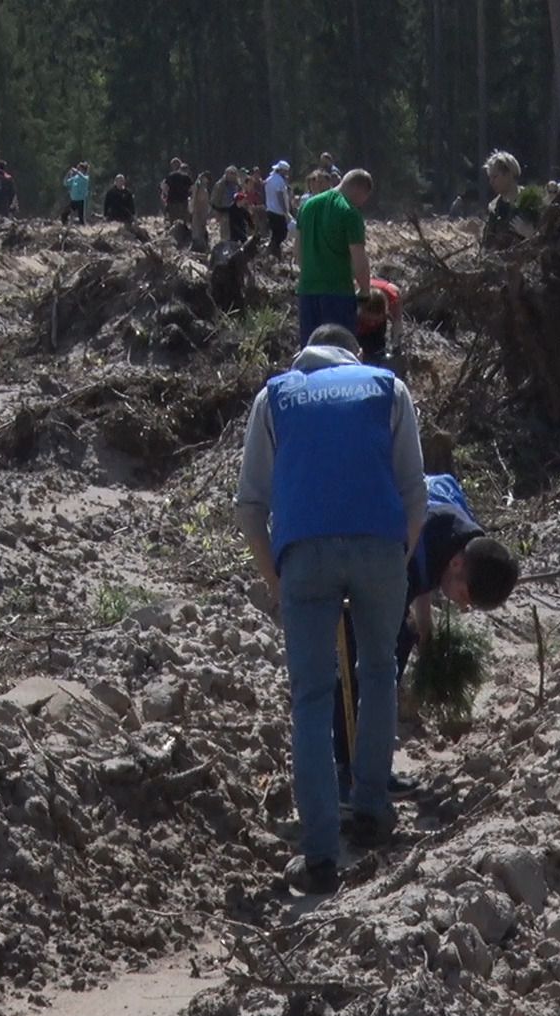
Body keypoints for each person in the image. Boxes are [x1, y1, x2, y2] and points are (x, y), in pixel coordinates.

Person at [234, 323, 429, 894]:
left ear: (304, 357)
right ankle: (370, 809)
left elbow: (250, 507)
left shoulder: (275, 397)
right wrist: (398, 559)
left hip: (305, 553)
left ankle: (320, 856)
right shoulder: (387, 388)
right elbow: (415, 494)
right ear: (354, 355)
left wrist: (277, 580)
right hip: (379, 546)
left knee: (312, 699)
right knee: (378, 673)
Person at [330, 471, 520, 801]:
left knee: (403, 641)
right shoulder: (411, 541)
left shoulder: (467, 539)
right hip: (355, 550)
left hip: (399, 554)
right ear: (457, 564)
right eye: (465, 596)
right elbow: (415, 565)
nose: (463, 606)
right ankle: (345, 770)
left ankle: (374, 767)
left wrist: (425, 625)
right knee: (354, 664)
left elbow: (428, 571)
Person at [295, 169, 375, 345]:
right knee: (340, 351)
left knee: (310, 350)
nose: (362, 203)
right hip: (338, 293)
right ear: (360, 190)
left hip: (307, 291)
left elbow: (298, 254)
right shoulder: (350, 212)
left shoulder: (307, 206)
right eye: (365, 198)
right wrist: (365, 290)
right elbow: (359, 258)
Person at [481, 150, 536, 249]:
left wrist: (530, 234)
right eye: (490, 178)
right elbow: (486, 247)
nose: (491, 182)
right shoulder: (494, 208)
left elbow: (547, 240)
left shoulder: (531, 201)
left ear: (509, 174)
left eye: (495, 177)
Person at [355, 277, 401, 369]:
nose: (372, 324)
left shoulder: (392, 296)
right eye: (368, 320)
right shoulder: (349, 301)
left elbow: (397, 323)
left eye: (376, 321)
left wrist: (395, 345)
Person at [265, 160, 294, 257]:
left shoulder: (269, 179)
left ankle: (273, 254)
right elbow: (280, 196)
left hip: (270, 210)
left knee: (275, 234)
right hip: (278, 211)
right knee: (281, 234)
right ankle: (272, 251)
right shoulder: (279, 181)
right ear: (282, 170)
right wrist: (286, 212)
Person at [218, 166, 249, 243]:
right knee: (225, 229)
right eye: (231, 173)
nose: (232, 175)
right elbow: (217, 198)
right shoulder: (221, 185)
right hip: (225, 210)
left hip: (236, 210)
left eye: (234, 173)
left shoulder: (237, 184)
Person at [163, 158, 194, 227]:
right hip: (183, 201)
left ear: (172, 166)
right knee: (184, 222)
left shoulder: (169, 176)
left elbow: (165, 188)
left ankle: (172, 232)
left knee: (172, 221)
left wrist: (165, 196)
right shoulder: (186, 177)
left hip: (172, 201)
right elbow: (191, 189)